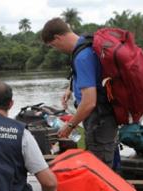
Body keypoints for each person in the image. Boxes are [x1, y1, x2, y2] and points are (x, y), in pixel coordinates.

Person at [41, 18, 118, 166]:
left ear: (58, 37)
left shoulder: (82, 56)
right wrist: (71, 88)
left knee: (100, 169)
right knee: (103, 163)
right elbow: (90, 76)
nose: (55, 49)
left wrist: (70, 125)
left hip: (99, 119)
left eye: (53, 45)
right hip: (104, 118)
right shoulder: (84, 43)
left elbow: (89, 102)